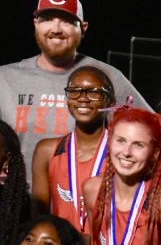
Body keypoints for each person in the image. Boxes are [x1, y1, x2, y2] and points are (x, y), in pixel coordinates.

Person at [0, 0, 147, 165]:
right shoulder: (6, 77)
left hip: (85, 182)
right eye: (47, 19)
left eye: (67, 21)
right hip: (18, 183)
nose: (56, 29)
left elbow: (152, 131)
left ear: (83, 28)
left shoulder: (107, 77)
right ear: (36, 24)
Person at [76, 107, 161, 245]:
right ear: (110, 142)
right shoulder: (92, 190)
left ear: (154, 153)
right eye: (121, 140)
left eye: (138, 145)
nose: (126, 152)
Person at [32, 65, 114, 227]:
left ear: (110, 100)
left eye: (94, 92)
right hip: (63, 243)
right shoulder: (47, 151)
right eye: (75, 91)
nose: (83, 98)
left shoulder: (122, 153)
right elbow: (38, 219)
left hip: (107, 244)